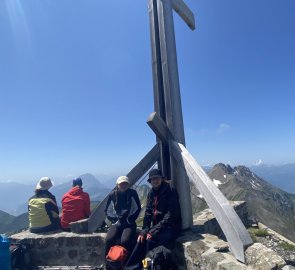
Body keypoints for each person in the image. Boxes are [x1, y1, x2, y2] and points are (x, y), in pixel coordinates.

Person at [126, 169, 182, 267]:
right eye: (152, 179)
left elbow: (171, 215)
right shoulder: (151, 193)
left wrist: (153, 231)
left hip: (170, 227)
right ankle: (137, 266)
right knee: (141, 239)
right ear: (150, 181)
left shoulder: (170, 191)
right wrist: (144, 230)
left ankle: (146, 266)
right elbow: (148, 213)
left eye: (157, 178)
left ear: (161, 179)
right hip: (158, 227)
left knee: (150, 241)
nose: (155, 181)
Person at [104, 176, 141, 258]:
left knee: (125, 241)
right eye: (121, 184)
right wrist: (115, 220)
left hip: (129, 223)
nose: (123, 185)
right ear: (117, 185)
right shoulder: (112, 195)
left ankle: (125, 261)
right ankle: (108, 260)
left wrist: (129, 219)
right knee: (109, 239)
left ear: (128, 185)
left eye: (125, 184)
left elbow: (137, 208)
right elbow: (107, 211)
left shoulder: (132, 193)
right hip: (117, 223)